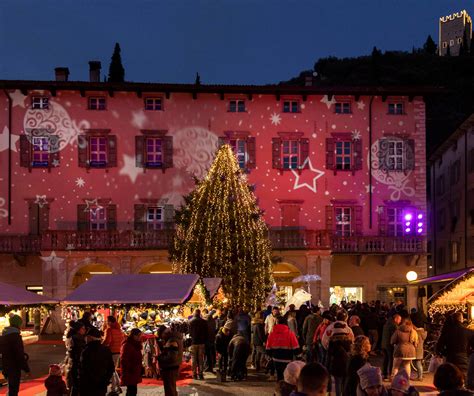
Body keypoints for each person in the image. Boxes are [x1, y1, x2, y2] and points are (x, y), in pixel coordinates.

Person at [0, 315, 30, 396]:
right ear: (18, 324)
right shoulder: (15, 336)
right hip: (13, 366)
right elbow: (19, 355)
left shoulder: (4, 334)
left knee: (11, 386)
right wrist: (26, 368)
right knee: (13, 389)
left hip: (6, 364)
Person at [79, 327, 114, 396]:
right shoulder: (106, 350)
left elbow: (84, 368)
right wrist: (106, 380)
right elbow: (111, 367)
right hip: (102, 383)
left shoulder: (86, 351)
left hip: (88, 384)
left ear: (90, 338)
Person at [266, 316, 300, 381]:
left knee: (279, 375)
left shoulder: (272, 332)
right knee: (286, 375)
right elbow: (295, 346)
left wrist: (270, 354)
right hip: (287, 358)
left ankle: (279, 387)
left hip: (276, 358)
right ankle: (285, 388)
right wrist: (298, 355)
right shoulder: (290, 332)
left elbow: (268, 346)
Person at [326, 317, 354, 396]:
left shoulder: (332, 342)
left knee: (337, 383)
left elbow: (329, 355)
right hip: (346, 364)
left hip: (336, 365)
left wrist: (327, 366)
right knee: (344, 384)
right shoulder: (348, 341)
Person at [157, 329, 183, 396]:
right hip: (172, 367)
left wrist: (159, 358)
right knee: (171, 388)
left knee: (170, 389)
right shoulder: (175, 339)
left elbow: (171, 357)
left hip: (170, 368)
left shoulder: (172, 341)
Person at [64, 321, 86, 396]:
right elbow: (77, 353)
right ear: (78, 330)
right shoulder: (76, 339)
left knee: (73, 386)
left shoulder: (73, 337)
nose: (84, 330)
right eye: (83, 328)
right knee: (75, 386)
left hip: (72, 364)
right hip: (75, 365)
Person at [120, 328, 143, 396]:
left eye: (140, 335)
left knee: (132, 390)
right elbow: (124, 360)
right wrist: (130, 369)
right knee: (131, 390)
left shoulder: (136, 344)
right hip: (130, 371)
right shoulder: (127, 345)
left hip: (134, 370)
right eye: (138, 335)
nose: (139, 337)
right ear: (133, 335)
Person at [188, 308, 209, 380]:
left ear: (194, 313)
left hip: (193, 342)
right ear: (200, 313)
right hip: (202, 342)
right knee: (201, 359)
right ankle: (200, 374)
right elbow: (206, 333)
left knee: (193, 358)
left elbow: (189, 332)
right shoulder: (204, 322)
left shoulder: (190, 321)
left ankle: (194, 374)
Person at [381, 313, 401, 380]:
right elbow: (394, 337)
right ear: (396, 319)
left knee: (385, 359)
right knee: (391, 360)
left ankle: (384, 374)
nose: (400, 321)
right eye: (399, 320)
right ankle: (390, 374)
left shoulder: (386, 324)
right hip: (390, 345)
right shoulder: (393, 325)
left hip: (384, 344)